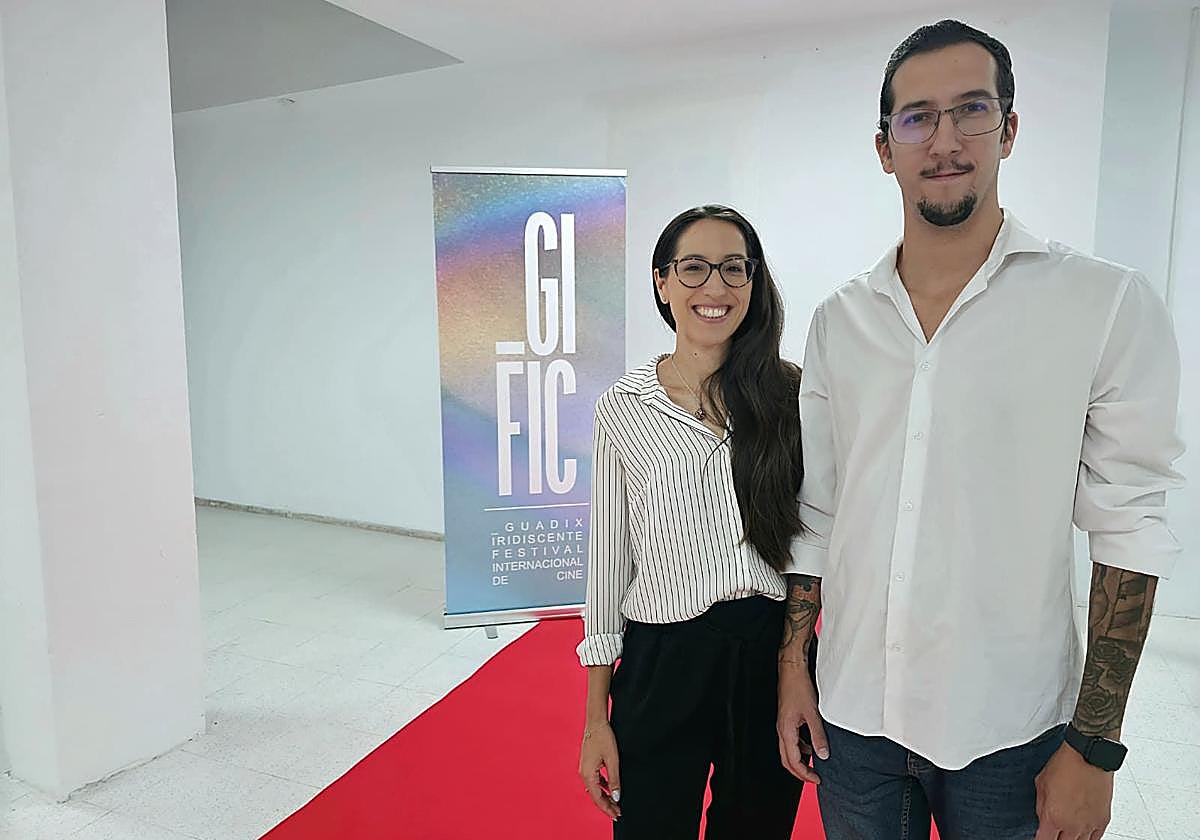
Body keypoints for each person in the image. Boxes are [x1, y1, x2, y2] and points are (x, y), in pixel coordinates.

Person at [776, 19, 1185, 840]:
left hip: (1010, 732)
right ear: (885, 147)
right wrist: (795, 666)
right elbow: (819, 513)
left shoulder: (1101, 304)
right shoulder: (839, 321)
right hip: (854, 717)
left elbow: (1129, 525)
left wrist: (1096, 744)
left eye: (971, 110)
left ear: (1010, 128)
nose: (946, 140)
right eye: (916, 117)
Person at [576, 204, 811, 839]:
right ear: (662, 281)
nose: (716, 288)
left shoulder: (790, 396)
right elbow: (607, 561)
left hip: (767, 653)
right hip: (663, 654)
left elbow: (810, 544)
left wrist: (798, 664)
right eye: (694, 268)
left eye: (735, 269)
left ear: (754, 282)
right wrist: (597, 716)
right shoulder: (624, 407)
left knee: (757, 829)